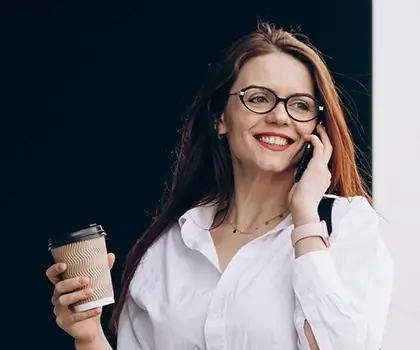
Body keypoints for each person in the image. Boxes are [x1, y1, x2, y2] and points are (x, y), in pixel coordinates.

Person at [46, 22, 394, 350]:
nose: (280, 116)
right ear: (220, 119)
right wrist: (89, 337)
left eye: (300, 105)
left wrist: (305, 218)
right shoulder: (171, 245)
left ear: (317, 128)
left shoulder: (347, 226)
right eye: (258, 98)